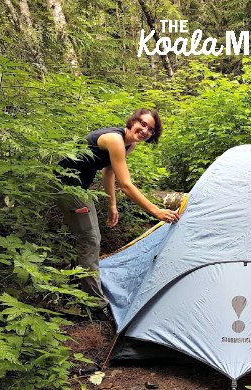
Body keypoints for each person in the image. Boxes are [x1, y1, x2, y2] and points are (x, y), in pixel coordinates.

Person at [57, 108, 179, 320]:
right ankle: (94, 305)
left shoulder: (128, 144)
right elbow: (125, 184)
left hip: (79, 189)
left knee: (91, 239)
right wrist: (156, 210)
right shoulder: (115, 139)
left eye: (150, 129)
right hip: (66, 186)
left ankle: (77, 286)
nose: (145, 130)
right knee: (90, 240)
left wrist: (112, 204)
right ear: (133, 121)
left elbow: (109, 171)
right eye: (142, 123)